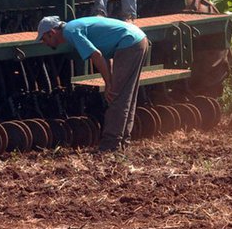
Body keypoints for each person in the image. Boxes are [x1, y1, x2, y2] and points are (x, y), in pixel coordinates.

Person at [37, 15, 149, 152]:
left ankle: (110, 145)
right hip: (137, 39)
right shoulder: (73, 27)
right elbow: (104, 53)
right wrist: (110, 78)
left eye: (44, 39)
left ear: (51, 33)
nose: (44, 43)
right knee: (126, 96)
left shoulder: (71, 33)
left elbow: (96, 55)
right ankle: (122, 142)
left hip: (129, 44)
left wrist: (109, 83)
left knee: (117, 97)